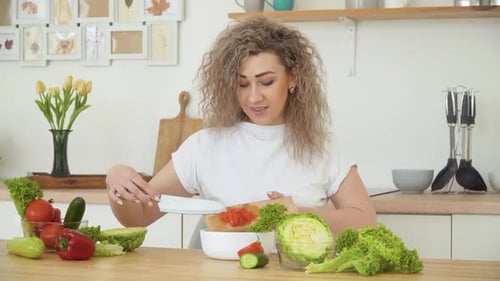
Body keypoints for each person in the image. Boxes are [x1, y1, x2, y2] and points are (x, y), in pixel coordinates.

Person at [105, 16, 377, 247]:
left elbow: (364, 220)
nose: (254, 97)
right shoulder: (205, 145)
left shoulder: (321, 146)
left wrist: (293, 212)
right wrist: (116, 183)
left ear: (293, 77)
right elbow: (138, 216)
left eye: (266, 82)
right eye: (242, 84)